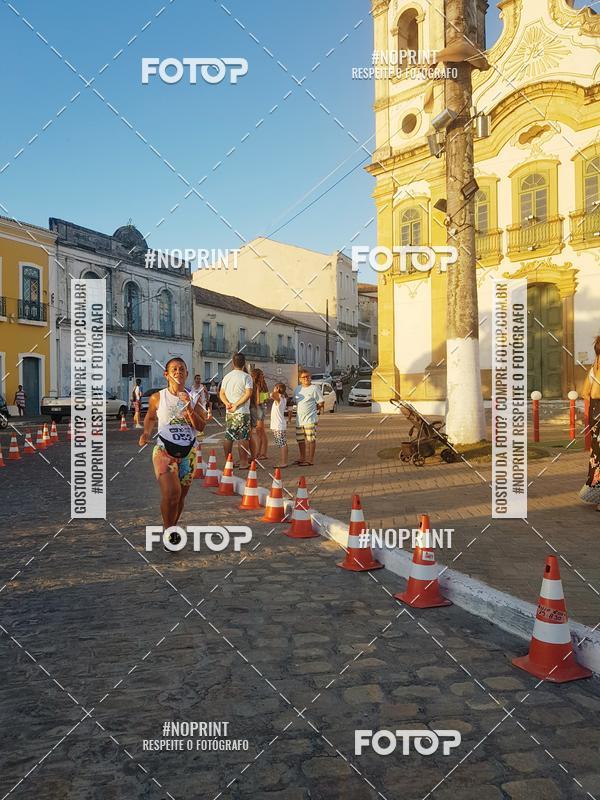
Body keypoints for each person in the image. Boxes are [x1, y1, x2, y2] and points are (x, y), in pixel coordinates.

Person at [139, 357, 206, 543]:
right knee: (171, 493)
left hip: (189, 454)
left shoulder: (194, 397)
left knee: (180, 497)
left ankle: (172, 525)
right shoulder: (158, 397)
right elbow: (151, 417)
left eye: (182, 369)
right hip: (164, 451)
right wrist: (146, 433)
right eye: (174, 369)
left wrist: (190, 411)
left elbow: (201, 427)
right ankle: (169, 532)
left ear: (186, 374)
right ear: (166, 374)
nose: (178, 372)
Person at [220, 354, 253, 469]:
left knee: (229, 436)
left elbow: (221, 393)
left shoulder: (227, 377)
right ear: (244, 363)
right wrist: (236, 405)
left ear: (233, 363)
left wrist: (227, 403)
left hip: (230, 412)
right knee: (243, 437)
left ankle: (228, 461)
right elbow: (248, 393)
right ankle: (244, 462)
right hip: (242, 411)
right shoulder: (246, 377)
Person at [581, 336, 600, 511]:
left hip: (595, 413)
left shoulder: (593, 370)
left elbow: (585, 393)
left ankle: (597, 497)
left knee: (597, 454)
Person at [290, 370, 324, 467]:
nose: (306, 379)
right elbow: (294, 402)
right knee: (300, 440)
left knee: (310, 440)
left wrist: (314, 410)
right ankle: (302, 457)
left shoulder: (314, 389)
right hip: (299, 420)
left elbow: (321, 402)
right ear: (300, 379)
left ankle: (310, 460)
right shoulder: (297, 389)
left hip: (310, 419)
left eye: (308, 376)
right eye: (304, 377)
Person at [250, 367, 269, 460]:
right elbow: (266, 398)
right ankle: (262, 452)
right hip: (261, 408)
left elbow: (257, 401)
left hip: (258, 409)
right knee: (262, 433)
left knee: (259, 432)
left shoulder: (256, 385)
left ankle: (260, 452)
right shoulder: (263, 385)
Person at [269, 382, 288, 468]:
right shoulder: (282, 398)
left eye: (275, 388)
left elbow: (271, 395)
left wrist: (276, 391)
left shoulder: (279, 398)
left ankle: (283, 462)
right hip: (279, 425)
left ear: (277, 389)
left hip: (278, 425)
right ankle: (284, 461)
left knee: (282, 444)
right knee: (283, 443)